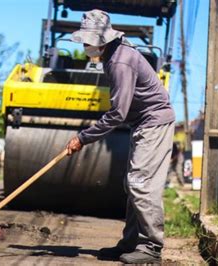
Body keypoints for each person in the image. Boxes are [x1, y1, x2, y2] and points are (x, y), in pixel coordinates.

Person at [66, 9, 175, 264]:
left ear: (102, 39)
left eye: (87, 41)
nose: (84, 45)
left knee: (140, 184)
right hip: (143, 123)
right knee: (133, 184)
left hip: (154, 122)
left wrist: (83, 138)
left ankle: (151, 247)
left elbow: (117, 113)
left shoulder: (120, 61)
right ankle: (131, 243)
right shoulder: (113, 54)